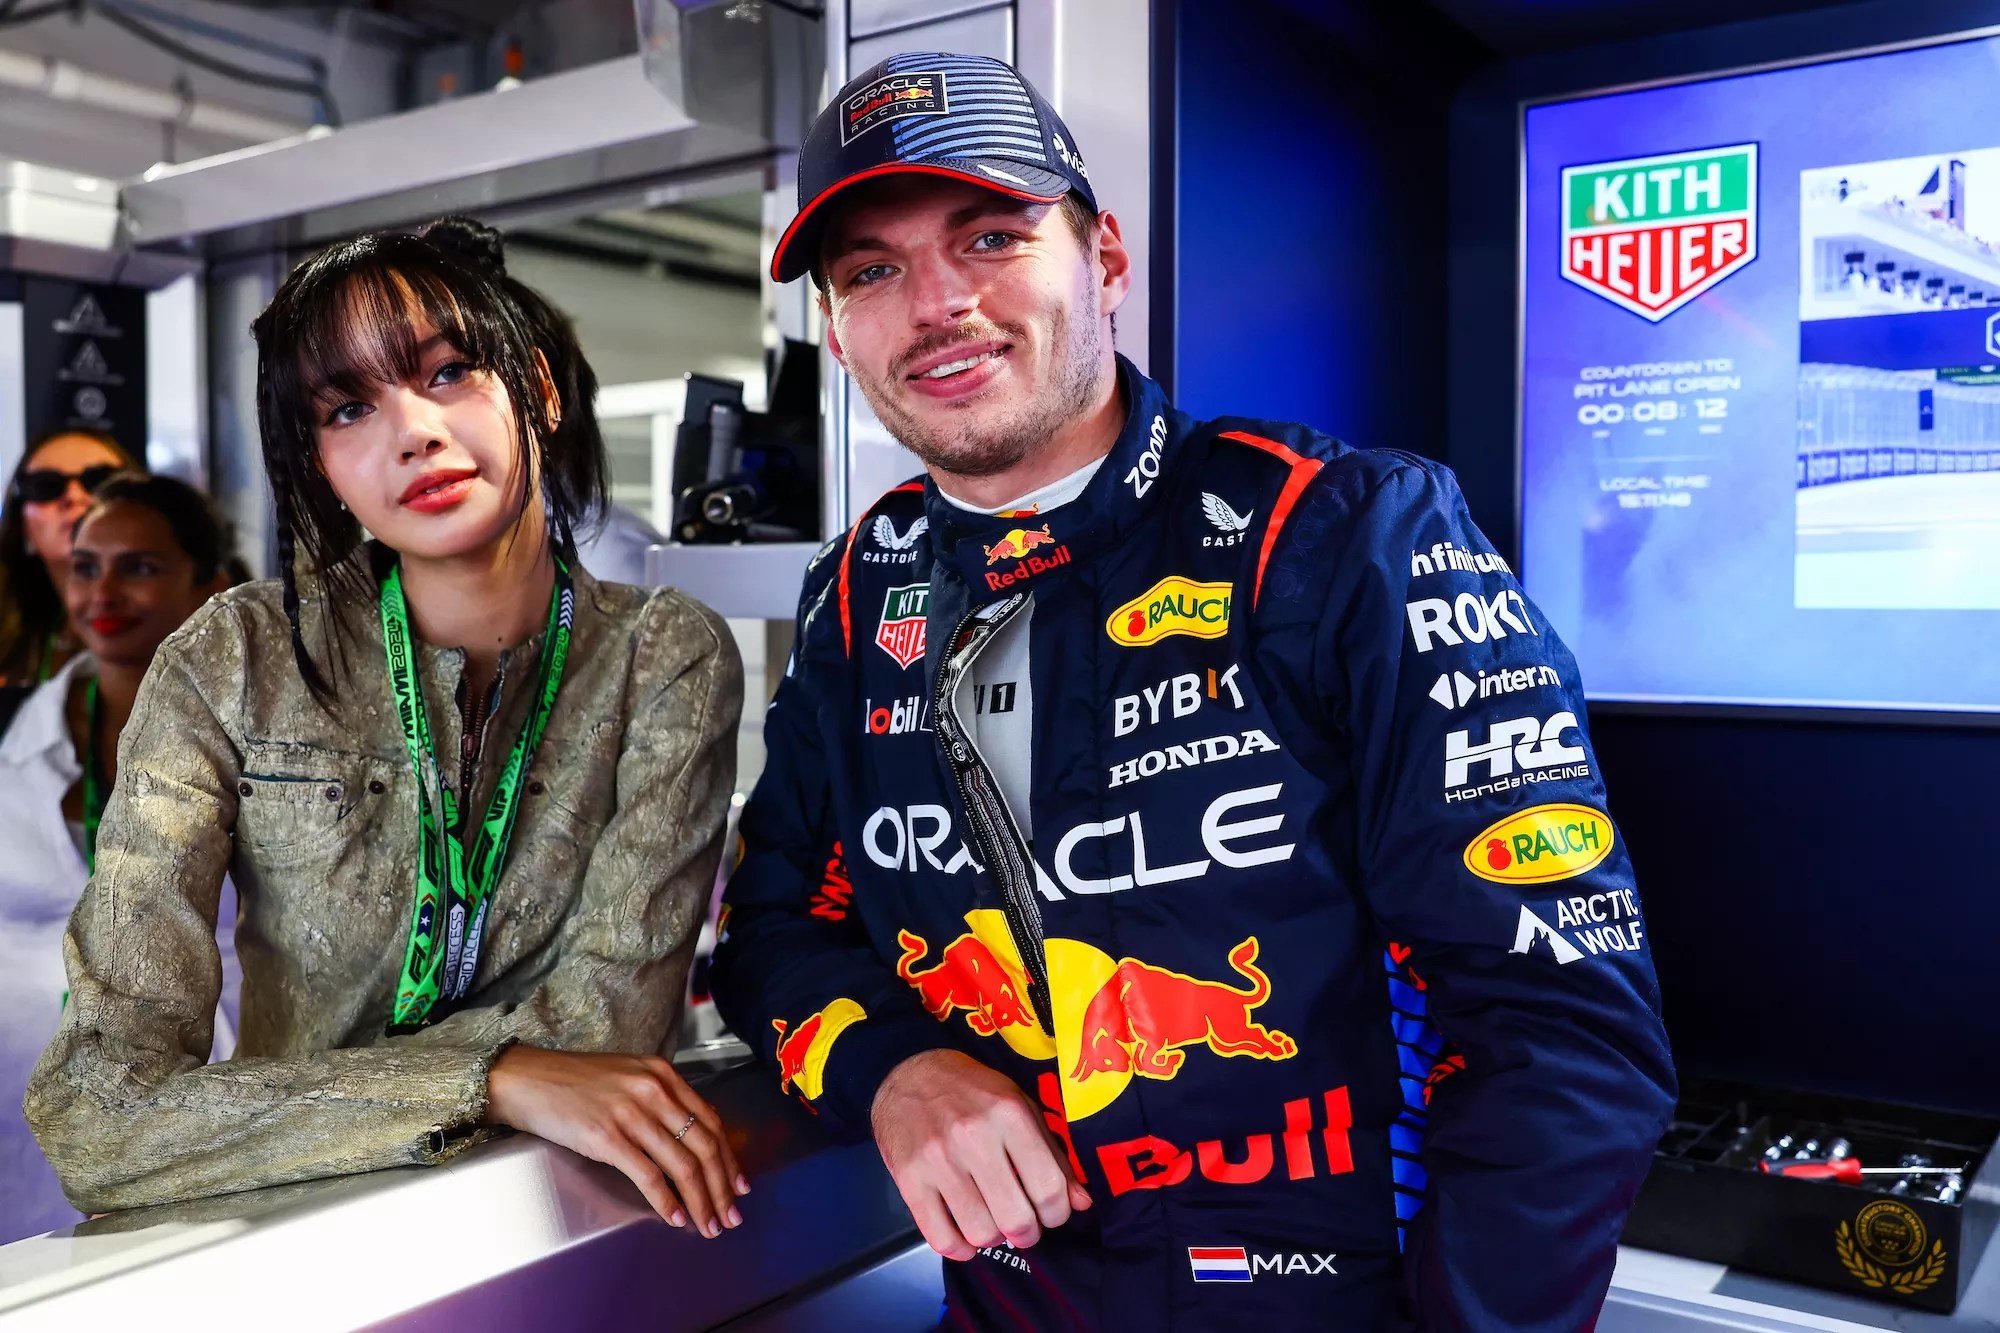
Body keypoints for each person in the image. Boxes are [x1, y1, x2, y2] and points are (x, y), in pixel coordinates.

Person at [711, 53, 1676, 1330]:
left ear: (1102, 256)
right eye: (871, 271)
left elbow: (1558, 1030)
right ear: (837, 329)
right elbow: (771, 934)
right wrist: (892, 1068)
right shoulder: (859, 590)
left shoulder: (1337, 532)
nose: (936, 302)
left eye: (990, 234)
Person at [27, 218, 751, 1239]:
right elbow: (98, 1111)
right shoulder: (237, 658)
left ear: (538, 388)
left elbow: (603, 1039)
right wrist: (492, 1075)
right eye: (348, 407)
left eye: (450, 372)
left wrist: (276, 1105)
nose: (410, 431)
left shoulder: (660, 657)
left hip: (557, 1236)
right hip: (268, 1248)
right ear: (319, 463)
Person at [0, 473, 246, 1244]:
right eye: (85, 565)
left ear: (210, 583)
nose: (103, 589)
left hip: (198, 1107)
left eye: (138, 566)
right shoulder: (12, 734)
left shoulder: (266, 742)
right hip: (20, 1111)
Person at [0, 431, 142, 685]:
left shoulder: (176, 617)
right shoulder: (9, 625)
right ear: (22, 525)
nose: (74, 496)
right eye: (45, 486)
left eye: (100, 481)